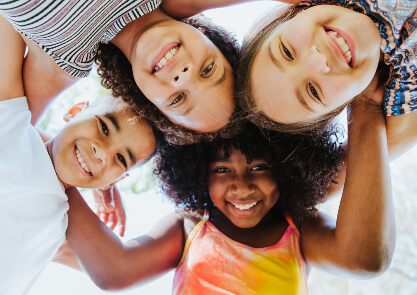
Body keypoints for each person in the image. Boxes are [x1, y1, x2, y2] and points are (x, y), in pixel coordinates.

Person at [64, 101, 394, 293]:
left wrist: (365, 106)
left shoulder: (300, 228)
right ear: (199, 173)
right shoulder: (191, 226)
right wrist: (69, 180)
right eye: (222, 170)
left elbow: (364, 258)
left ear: (286, 169)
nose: (240, 186)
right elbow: (115, 270)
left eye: (259, 166)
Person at [161, 0, 417, 158]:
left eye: (286, 52)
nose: (317, 61)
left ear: (289, 17)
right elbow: (378, 151)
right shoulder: (412, 78)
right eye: (313, 91)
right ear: (345, 103)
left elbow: (176, 0)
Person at [0, 0, 239, 142]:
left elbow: (8, 132)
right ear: (209, 38)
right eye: (208, 70)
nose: (183, 77)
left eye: (178, 99)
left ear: (147, 101)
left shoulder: (65, 61)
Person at [0, 15, 158, 295]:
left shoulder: (62, 225)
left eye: (121, 160)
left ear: (119, 178)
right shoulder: (10, 123)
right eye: (104, 126)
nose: (103, 153)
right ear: (74, 111)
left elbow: (118, 268)